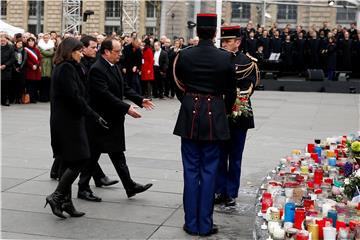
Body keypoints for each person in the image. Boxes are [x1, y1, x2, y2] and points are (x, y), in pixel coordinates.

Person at [173, 13, 236, 236]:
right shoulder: (225, 57)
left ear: (197, 31)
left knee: (191, 171)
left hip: (189, 113)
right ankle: (205, 224)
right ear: (216, 33)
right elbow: (231, 92)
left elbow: (179, 86)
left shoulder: (184, 55)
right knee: (209, 172)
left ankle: (191, 223)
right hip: (215, 115)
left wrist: (189, 101)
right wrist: (222, 111)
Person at [77, 37, 154, 202]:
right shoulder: (98, 69)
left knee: (117, 154)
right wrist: (126, 108)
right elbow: (105, 95)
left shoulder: (114, 66)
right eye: (116, 51)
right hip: (101, 120)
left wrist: (140, 100)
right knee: (93, 155)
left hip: (112, 119)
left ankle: (129, 186)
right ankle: (83, 188)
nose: (120, 54)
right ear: (106, 52)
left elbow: (123, 87)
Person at [46, 37, 108, 219]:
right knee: (81, 159)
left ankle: (66, 202)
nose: (82, 54)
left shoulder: (66, 67)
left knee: (68, 162)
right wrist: (94, 115)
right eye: (79, 51)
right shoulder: (65, 68)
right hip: (68, 122)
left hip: (67, 120)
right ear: (70, 51)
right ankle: (57, 197)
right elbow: (75, 97)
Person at [215, 26, 259, 207]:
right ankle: (219, 190)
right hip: (219, 114)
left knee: (235, 155)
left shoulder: (247, 62)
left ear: (238, 42)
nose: (224, 44)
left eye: (228, 41)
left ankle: (231, 192)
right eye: (223, 41)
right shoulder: (216, 59)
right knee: (219, 155)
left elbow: (248, 89)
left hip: (239, 114)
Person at [38, 33, 55, 102]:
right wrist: (46, 53)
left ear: (49, 38)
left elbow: (51, 53)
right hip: (41, 64)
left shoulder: (51, 44)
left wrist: (42, 51)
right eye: (44, 38)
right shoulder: (39, 44)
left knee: (48, 82)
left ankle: (48, 97)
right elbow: (39, 55)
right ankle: (42, 97)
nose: (46, 39)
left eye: (47, 38)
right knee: (42, 81)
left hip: (49, 65)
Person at [25, 37, 42, 103]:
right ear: (27, 42)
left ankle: (34, 98)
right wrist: (32, 65)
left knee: (35, 84)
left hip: (36, 69)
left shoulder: (37, 50)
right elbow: (26, 59)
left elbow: (40, 59)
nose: (31, 42)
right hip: (29, 69)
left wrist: (37, 65)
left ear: (34, 42)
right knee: (30, 84)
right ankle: (30, 98)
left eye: (32, 41)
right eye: (29, 41)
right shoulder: (26, 49)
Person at [12, 38, 28, 104]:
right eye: (18, 43)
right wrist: (15, 68)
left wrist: (20, 67)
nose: (19, 44)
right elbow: (12, 59)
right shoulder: (13, 50)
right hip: (14, 69)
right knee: (15, 84)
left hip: (22, 69)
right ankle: (15, 98)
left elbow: (25, 59)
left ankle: (20, 98)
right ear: (16, 43)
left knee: (22, 84)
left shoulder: (24, 50)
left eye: (21, 43)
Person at [1, 33, 15, 106]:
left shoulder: (10, 47)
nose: (2, 41)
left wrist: (5, 65)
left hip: (6, 69)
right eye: (1, 40)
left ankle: (5, 100)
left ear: (6, 40)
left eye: (4, 40)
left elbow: (12, 59)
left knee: (6, 87)